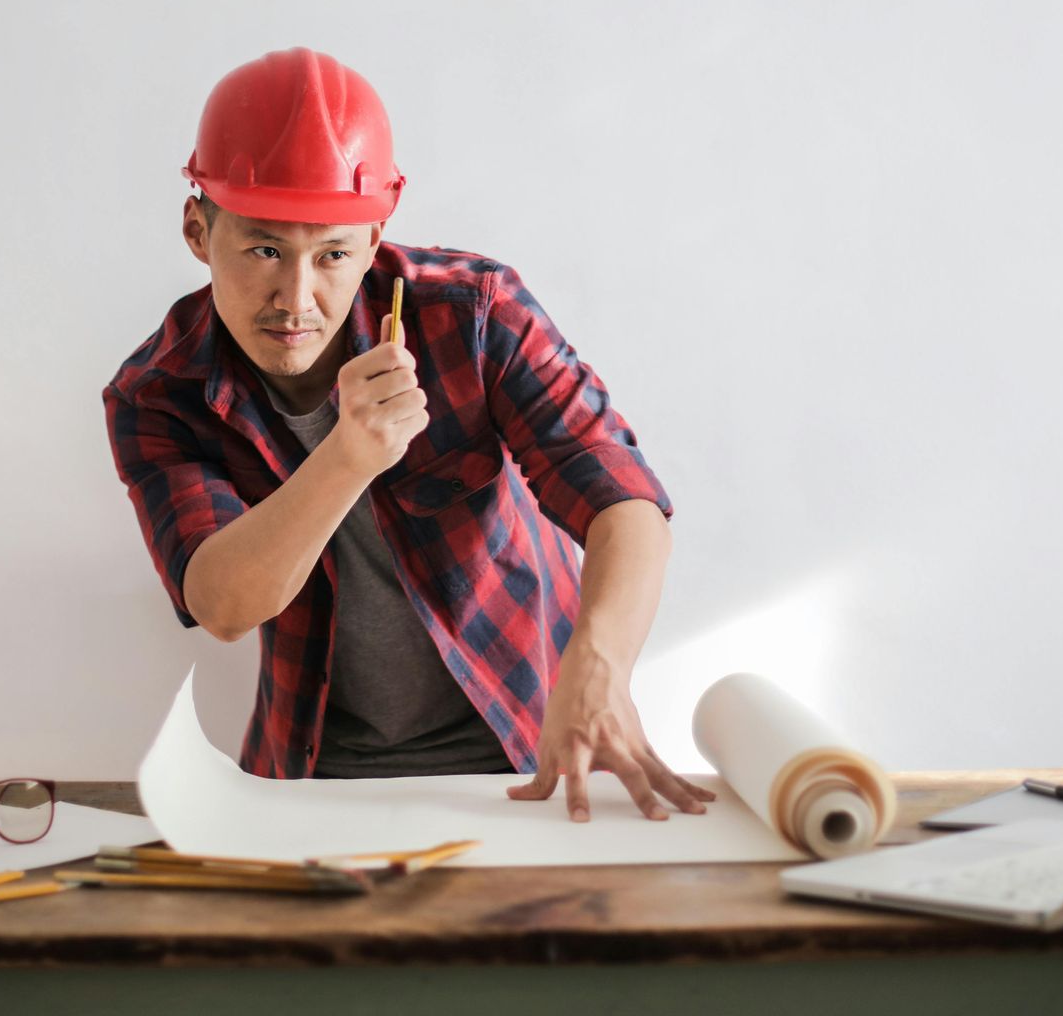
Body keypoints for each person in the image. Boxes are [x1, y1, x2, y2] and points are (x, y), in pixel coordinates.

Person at [104, 47, 714, 823]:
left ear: (376, 235)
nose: (297, 298)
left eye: (332, 255)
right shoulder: (158, 393)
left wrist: (601, 664)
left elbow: (621, 495)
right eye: (264, 249)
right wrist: (349, 456)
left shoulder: (475, 315)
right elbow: (224, 605)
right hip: (315, 774)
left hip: (528, 755)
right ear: (198, 228)